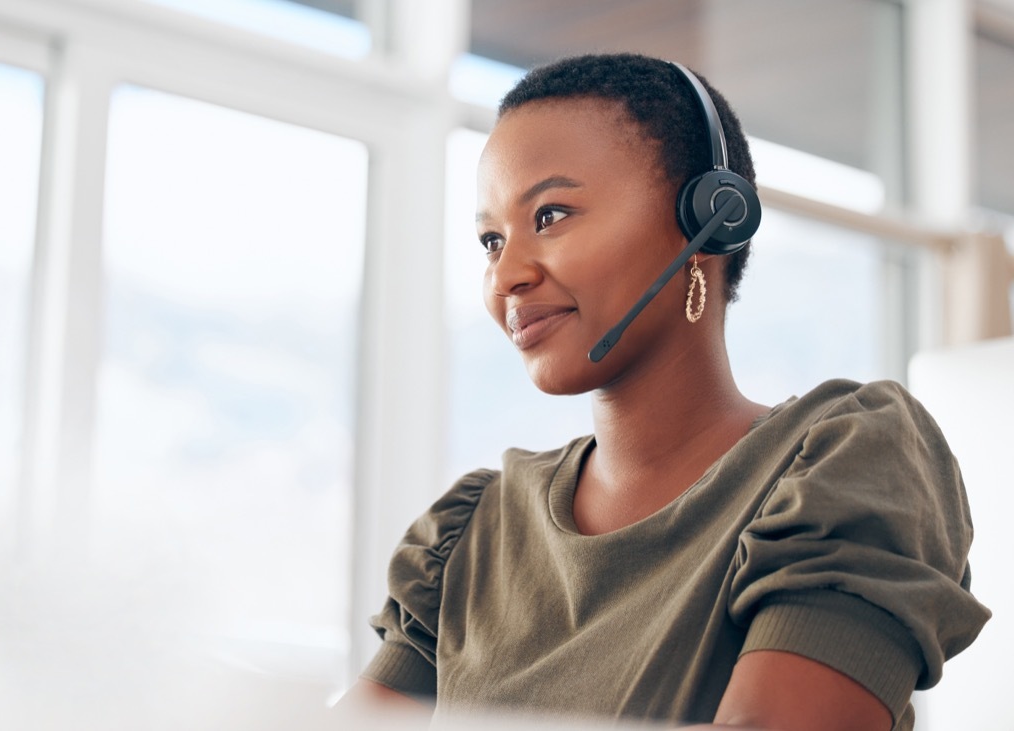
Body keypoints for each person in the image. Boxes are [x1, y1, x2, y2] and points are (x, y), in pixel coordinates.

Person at [336, 53, 990, 730]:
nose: (507, 276)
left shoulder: (849, 465)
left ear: (709, 216)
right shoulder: (471, 534)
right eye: (492, 241)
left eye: (551, 215)